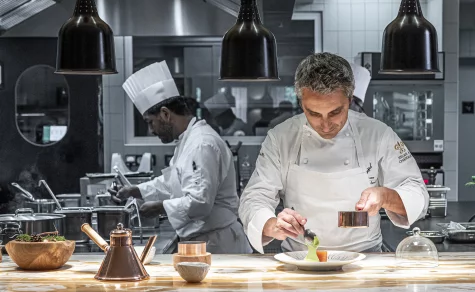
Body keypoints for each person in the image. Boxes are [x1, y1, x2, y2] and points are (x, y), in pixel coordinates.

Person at [239, 52, 428, 254]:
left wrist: (385, 196)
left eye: (335, 112)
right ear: (301, 102)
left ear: (349, 99)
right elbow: (255, 197)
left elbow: (417, 191)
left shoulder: (378, 134)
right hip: (301, 259)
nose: (326, 125)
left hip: (366, 260)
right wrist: (271, 224)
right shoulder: (281, 138)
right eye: (313, 113)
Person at [115, 61, 251, 254]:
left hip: (218, 246)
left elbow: (200, 202)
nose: (151, 130)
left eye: (150, 122)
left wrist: (160, 207)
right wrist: (135, 191)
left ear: (165, 114)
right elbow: (172, 182)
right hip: (205, 242)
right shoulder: (188, 141)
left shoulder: (202, 144)